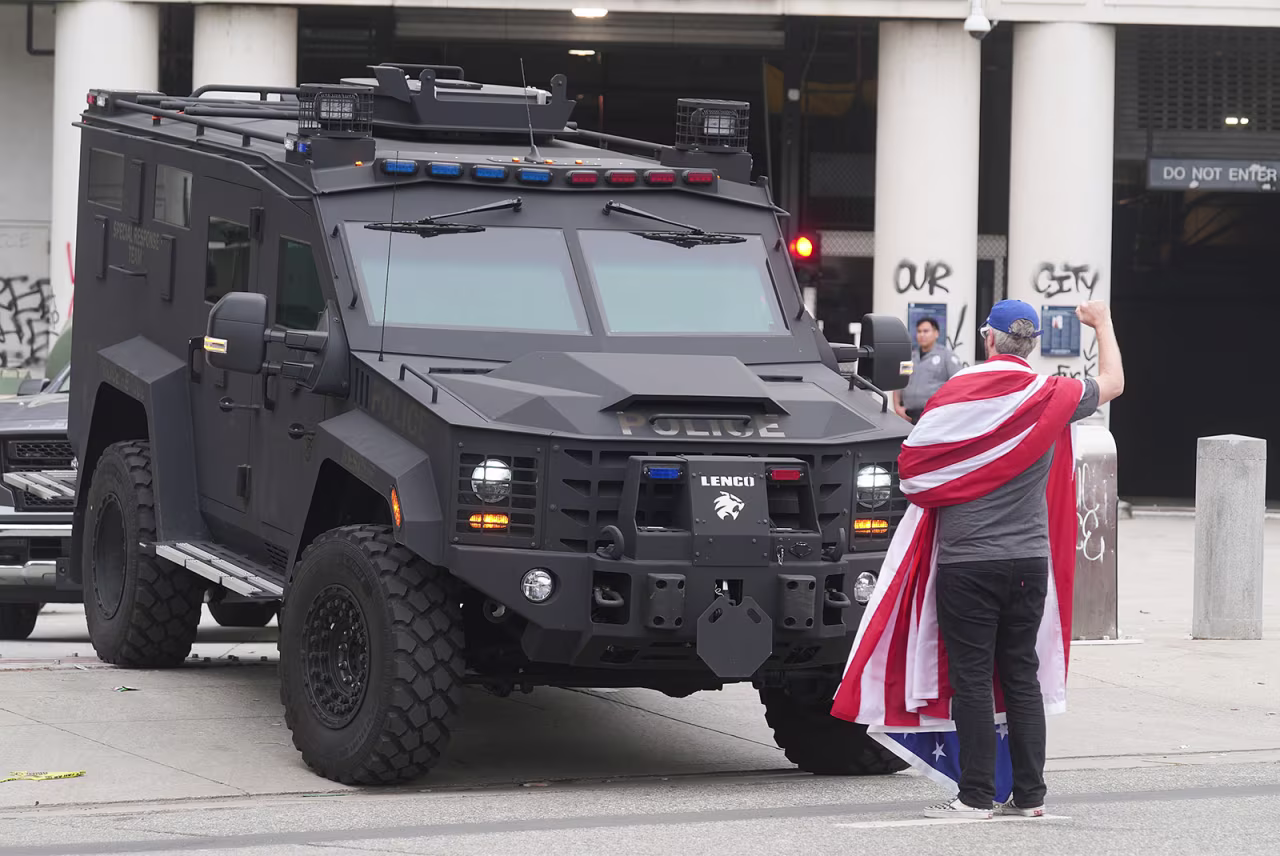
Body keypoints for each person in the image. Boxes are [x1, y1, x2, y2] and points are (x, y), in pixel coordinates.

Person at [829, 298, 1125, 821]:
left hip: (968, 564)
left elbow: (912, 472)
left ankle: (975, 797)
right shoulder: (1053, 395)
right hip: (1030, 564)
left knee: (970, 679)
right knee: (1021, 677)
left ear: (988, 338)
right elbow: (1114, 382)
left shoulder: (956, 393)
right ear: (1030, 343)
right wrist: (1101, 323)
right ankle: (1030, 797)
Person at [894, 317, 962, 423]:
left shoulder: (946, 356)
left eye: (926, 331)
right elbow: (899, 383)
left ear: (936, 333)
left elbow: (959, 384)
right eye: (919, 331)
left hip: (934, 417)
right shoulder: (910, 357)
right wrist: (897, 407)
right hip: (908, 416)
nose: (922, 335)